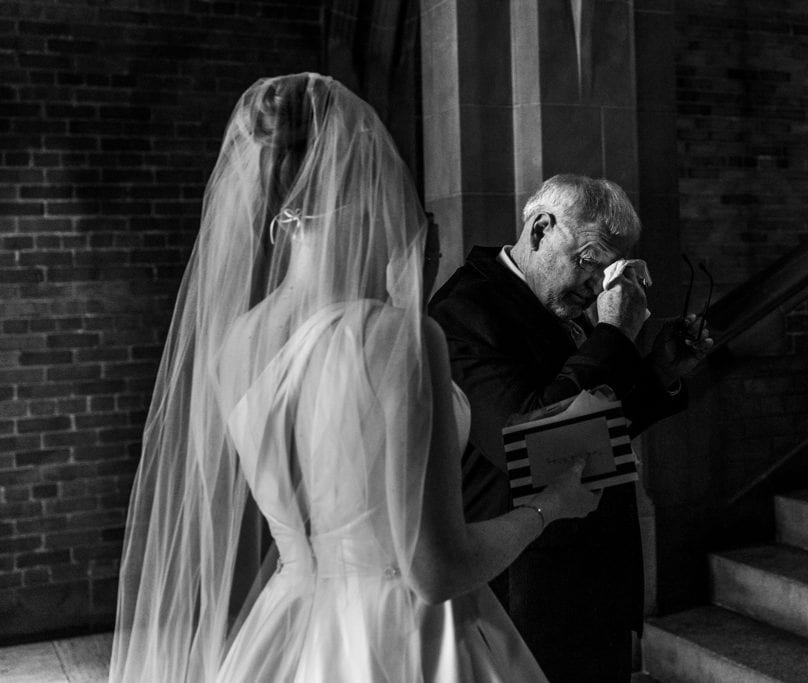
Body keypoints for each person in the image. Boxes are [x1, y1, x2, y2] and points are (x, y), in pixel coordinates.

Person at [109, 73, 600, 683]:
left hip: (289, 627)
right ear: (363, 188)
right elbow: (436, 570)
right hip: (403, 637)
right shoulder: (399, 338)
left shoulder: (237, 342)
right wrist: (552, 507)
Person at [428, 174, 712, 682]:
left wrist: (657, 374)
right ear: (541, 229)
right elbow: (530, 440)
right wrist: (612, 334)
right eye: (587, 262)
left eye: (606, 271)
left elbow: (594, 428)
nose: (594, 286)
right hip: (525, 588)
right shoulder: (464, 311)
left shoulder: (558, 302)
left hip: (593, 577)